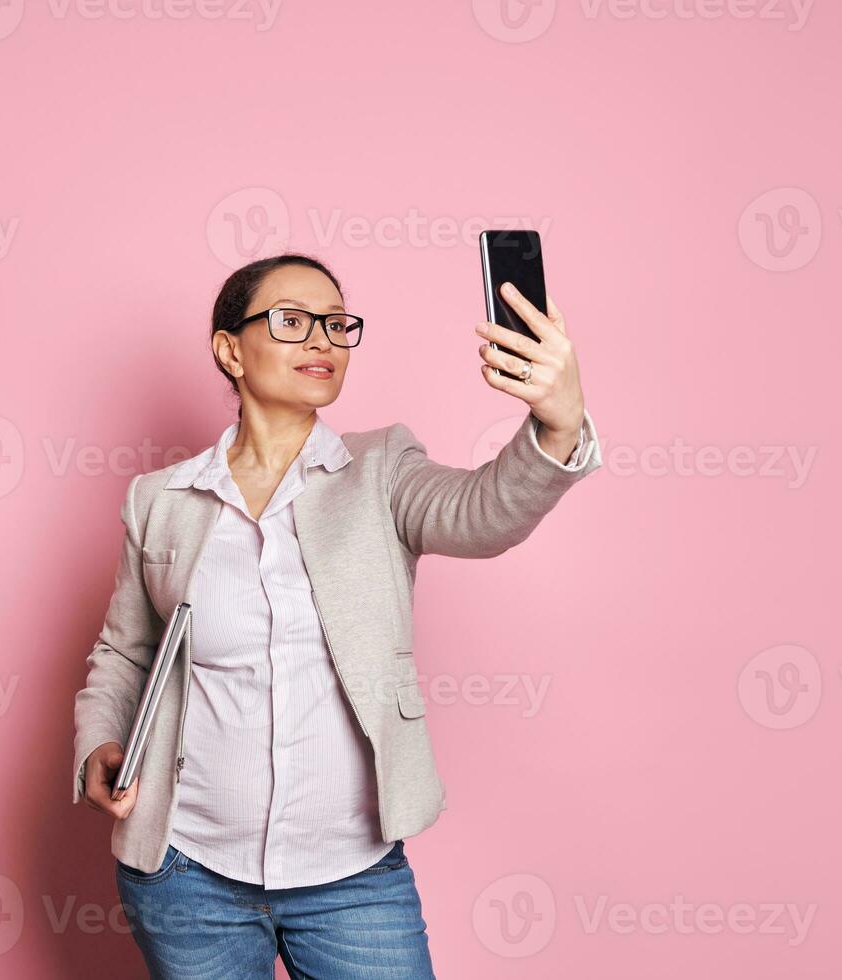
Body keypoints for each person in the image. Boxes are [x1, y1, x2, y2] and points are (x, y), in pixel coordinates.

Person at [72, 252, 601, 978]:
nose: (322, 340)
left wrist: (557, 422)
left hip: (352, 878)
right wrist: (98, 741)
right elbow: (126, 651)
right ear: (229, 349)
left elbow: (484, 515)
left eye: (336, 324)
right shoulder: (161, 498)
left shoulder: (381, 469)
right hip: (184, 872)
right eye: (291, 322)